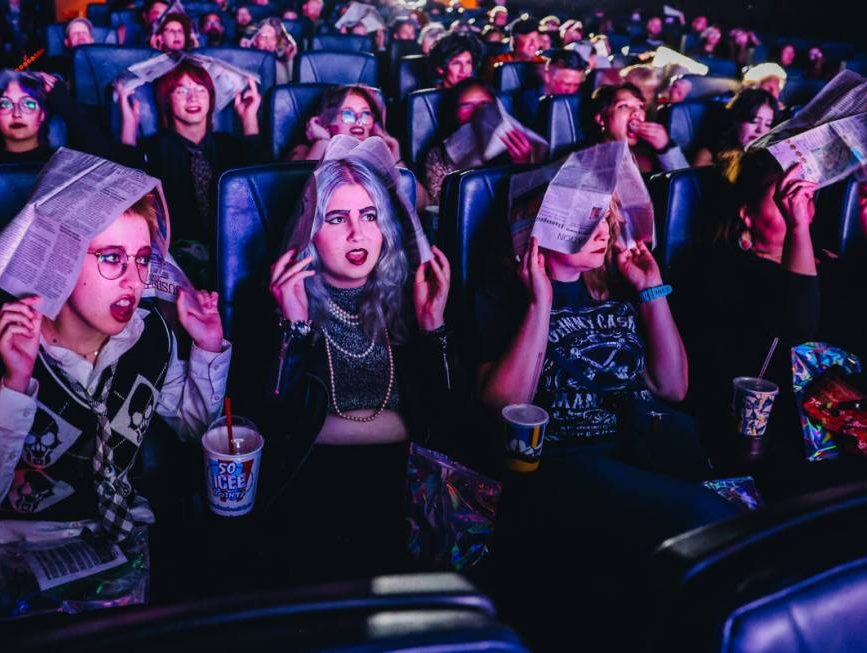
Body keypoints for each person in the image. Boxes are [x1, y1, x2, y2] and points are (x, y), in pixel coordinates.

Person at [475, 171, 737, 653]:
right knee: (706, 521)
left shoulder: (615, 291)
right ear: (541, 228)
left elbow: (673, 387)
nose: (602, 231)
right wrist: (541, 303)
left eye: (604, 218)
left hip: (637, 448)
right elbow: (506, 403)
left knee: (722, 532)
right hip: (558, 463)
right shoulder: (501, 299)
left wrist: (651, 290)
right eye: (585, 220)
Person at [0, 189, 231, 543]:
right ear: (58, 262)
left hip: (127, 534)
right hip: (24, 544)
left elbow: (195, 429)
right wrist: (15, 384)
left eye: (141, 260)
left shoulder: (151, 336)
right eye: (110, 258)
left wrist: (208, 345)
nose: (133, 281)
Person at [258, 138, 455, 582]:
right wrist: (292, 330)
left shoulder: (408, 296)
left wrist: (433, 326)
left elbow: (442, 423)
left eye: (369, 216)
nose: (358, 233)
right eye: (337, 218)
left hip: (405, 490)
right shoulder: (286, 303)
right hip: (314, 495)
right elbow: (276, 433)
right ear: (311, 229)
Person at [672, 150, 820, 454]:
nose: (799, 209)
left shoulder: (829, 262)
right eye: (783, 201)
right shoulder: (713, 266)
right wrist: (798, 229)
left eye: (802, 198)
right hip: (761, 432)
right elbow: (796, 327)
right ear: (746, 213)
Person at [114, 59, 264, 278]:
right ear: (167, 101)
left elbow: (262, 192)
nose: (192, 97)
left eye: (200, 89)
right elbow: (128, 200)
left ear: (211, 99)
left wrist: (250, 120)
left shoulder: (231, 146)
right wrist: (129, 128)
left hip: (237, 255)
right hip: (177, 262)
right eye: (181, 90)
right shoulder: (151, 150)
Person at [423, 78, 540, 204]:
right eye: (467, 106)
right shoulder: (439, 154)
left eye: (484, 105)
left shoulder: (514, 143)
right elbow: (443, 204)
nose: (477, 112)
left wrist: (521, 165)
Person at [0, 71, 89, 167]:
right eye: (5, 104)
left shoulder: (64, 164)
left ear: (42, 115)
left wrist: (66, 104)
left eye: (28, 104)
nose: (16, 113)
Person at [589, 82, 688, 174]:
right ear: (601, 119)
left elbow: (686, 186)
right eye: (624, 106)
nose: (637, 112)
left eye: (640, 106)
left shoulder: (649, 155)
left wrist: (665, 148)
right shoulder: (587, 161)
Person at [287, 85, 400, 162]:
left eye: (366, 114)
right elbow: (303, 190)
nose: (359, 121)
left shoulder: (377, 154)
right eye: (348, 114)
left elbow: (415, 197)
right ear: (328, 119)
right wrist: (322, 141)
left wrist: (395, 157)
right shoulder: (302, 151)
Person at [692, 88, 777, 166]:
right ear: (737, 120)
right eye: (754, 121)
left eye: (767, 124)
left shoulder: (771, 156)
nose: (761, 130)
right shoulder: (708, 155)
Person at [240, 17, 297, 84]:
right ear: (255, 40)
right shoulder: (246, 62)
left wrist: (290, 60)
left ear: (277, 42)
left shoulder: (280, 68)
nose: (268, 43)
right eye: (264, 37)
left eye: (273, 39)